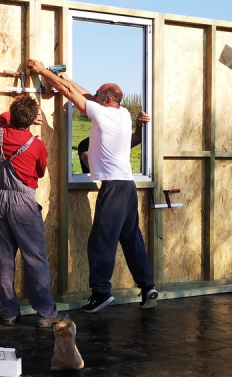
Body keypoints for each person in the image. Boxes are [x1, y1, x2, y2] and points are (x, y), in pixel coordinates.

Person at [28, 59, 157, 314]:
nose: (94, 98)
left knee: (100, 243)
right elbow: (83, 93)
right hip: (128, 188)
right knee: (132, 241)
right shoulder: (122, 113)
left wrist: (43, 72)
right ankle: (147, 287)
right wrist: (65, 77)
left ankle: (100, 294)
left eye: (99, 96)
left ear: (107, 101)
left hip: (113, 189)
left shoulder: (102, 113)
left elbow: (71, 95)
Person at [0, 95, 60, 328]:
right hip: (22, 203)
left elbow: (1, 118)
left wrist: (17, 110)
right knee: (34, 257)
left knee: (4, 258)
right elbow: (39, 172)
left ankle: (9, 313)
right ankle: (45, 313)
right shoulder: (36, 145)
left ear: (12, 114)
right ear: (32, 120)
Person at [77, 111, 150, 174]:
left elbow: (138, 137)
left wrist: (139, 124)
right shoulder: (85, 144)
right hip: (94, 187)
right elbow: (91, 164)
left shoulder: (116, 140)